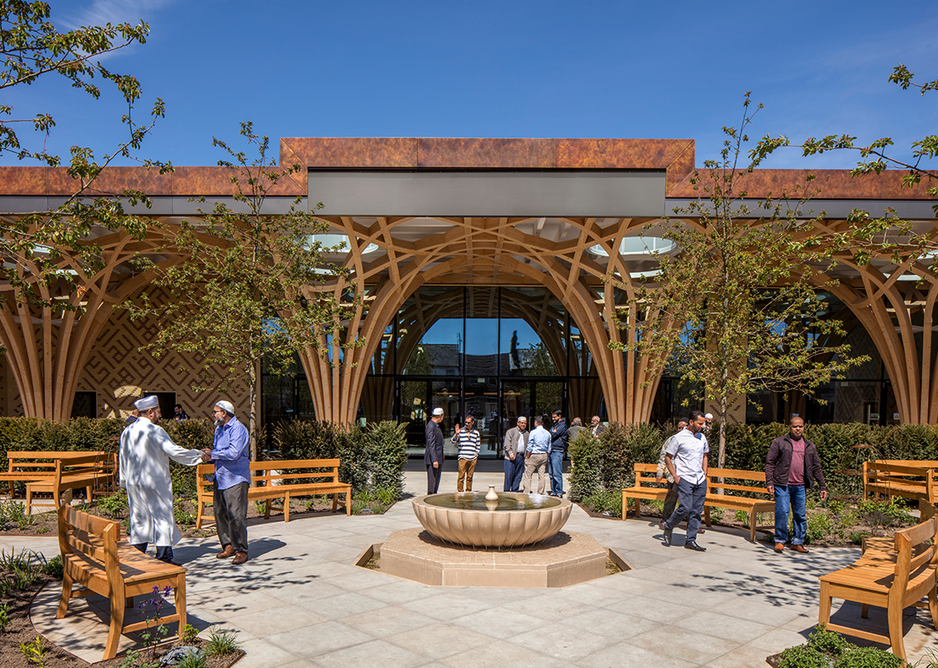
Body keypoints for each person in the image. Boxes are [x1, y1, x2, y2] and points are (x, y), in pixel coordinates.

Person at [118, 395, 204, 564]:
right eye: (158, 412)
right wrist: (198, 455)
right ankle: (164, 558)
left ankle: (137, 557)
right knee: (162, 516)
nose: (160, 415)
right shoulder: (154, 430)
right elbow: (174, 451)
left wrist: (123, 481)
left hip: (133, 482)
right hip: (153, 481)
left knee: (138, 517)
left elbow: (122, 457)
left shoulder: (127, 431)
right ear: (150, 412)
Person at [765, 416, 828, 554]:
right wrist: (769, 482)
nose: (798, 428)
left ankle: (797, 542)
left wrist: (822, 486)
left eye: (800, 426)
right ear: (789, 427)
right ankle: (780, 541)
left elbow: (816, 466)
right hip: (782, 484)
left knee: (800, 515)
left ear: (804, 427)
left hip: (800, 486)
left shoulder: (809, 445)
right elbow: (770, 462)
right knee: (782, 512)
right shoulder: (779, 442)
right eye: (795, 426)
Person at [202, 400, 251, 565]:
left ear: (224, 413)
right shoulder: (219, 429)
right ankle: (228, 545)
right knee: (220, 513)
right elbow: (219, 452)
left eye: (215, 411)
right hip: (220, 477)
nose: (213, 414)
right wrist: (209, 457)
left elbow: (234, 453)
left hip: (235, 478)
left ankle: (241, 550)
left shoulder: (239, 429)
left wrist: (213, 454)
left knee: (236, 516)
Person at [661, 410, 709, 552]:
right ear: (691, 422)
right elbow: (668, 457)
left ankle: (691, 540)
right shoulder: (678, 438)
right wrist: (675, 476)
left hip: (700, 479)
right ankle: (669, 525)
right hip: (685, 479)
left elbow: (705, 456)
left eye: (703, 423)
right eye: (700, 423)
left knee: (696, 511)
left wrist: (705, 473)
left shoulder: (702, 438)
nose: (702, 426)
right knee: (685, 508)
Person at [656, 418, 688, 521]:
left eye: (683, 427)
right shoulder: (671, 440)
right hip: (673, 475)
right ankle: (665, 520)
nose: (680, 430)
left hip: (687, 475)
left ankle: (691, 523)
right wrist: (659, 473)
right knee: (671, 498)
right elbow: (663, 457)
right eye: (679, 428)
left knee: (688, 500)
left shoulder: (693, 441)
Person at [522, 415, 551, 494]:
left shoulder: (533, 432)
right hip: (544, 454)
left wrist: (527, 457)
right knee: (541, 475)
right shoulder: (548, 433)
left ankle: (527, 492)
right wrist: (546, 457)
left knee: (528, 475)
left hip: (534, 455)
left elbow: (529, 446)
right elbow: (549, 447)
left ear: (536, 422)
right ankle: (540, 492)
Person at [454, 414, 481, 492]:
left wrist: (476, 454)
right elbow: (453, 441)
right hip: (463, 457)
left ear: (472, 422)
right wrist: (456, 433)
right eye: (465, 422)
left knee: (469, 476)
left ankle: (468, 491)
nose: (466, 424)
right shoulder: (461, 431)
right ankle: (460, 491)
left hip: (472, 458)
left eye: (468, 422)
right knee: (461, 476)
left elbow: (478, 444)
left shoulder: (476, 433)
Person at [502, 416, 529, 492]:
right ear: (518, 423)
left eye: (525, 423)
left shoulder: (527, 434)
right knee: (509, 476)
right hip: (510, 457)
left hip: (521, 457)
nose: (523, 425)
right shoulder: (511, 431)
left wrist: (527, 456)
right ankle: (507, 493)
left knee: (518, 476)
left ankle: (515, 491)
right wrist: (510, 453)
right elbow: (507, 444)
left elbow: (527, 445)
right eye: (522, 423)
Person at [548, 409, 568, 497]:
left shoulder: (562, 425)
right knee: (551, 473)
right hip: (551, 450)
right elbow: (549, 434)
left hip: (557, 450)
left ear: (560, 416)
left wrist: (553, 432)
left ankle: (559, 491)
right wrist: (552, 432)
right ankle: (553, 490)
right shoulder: (554, 425)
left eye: (555, 417)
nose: (553, 419)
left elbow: (552, 435)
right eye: (552, 417)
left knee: (557, 472)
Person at [425, 407, 445, 494]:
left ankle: (434, 495)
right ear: (440, 416)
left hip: (438, 457)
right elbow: (431, 444)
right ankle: (430, 498)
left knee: (436, 481)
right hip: (433, 459)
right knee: (432, 483)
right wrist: (434, 460)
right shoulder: (431, 426)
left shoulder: (436, 426)